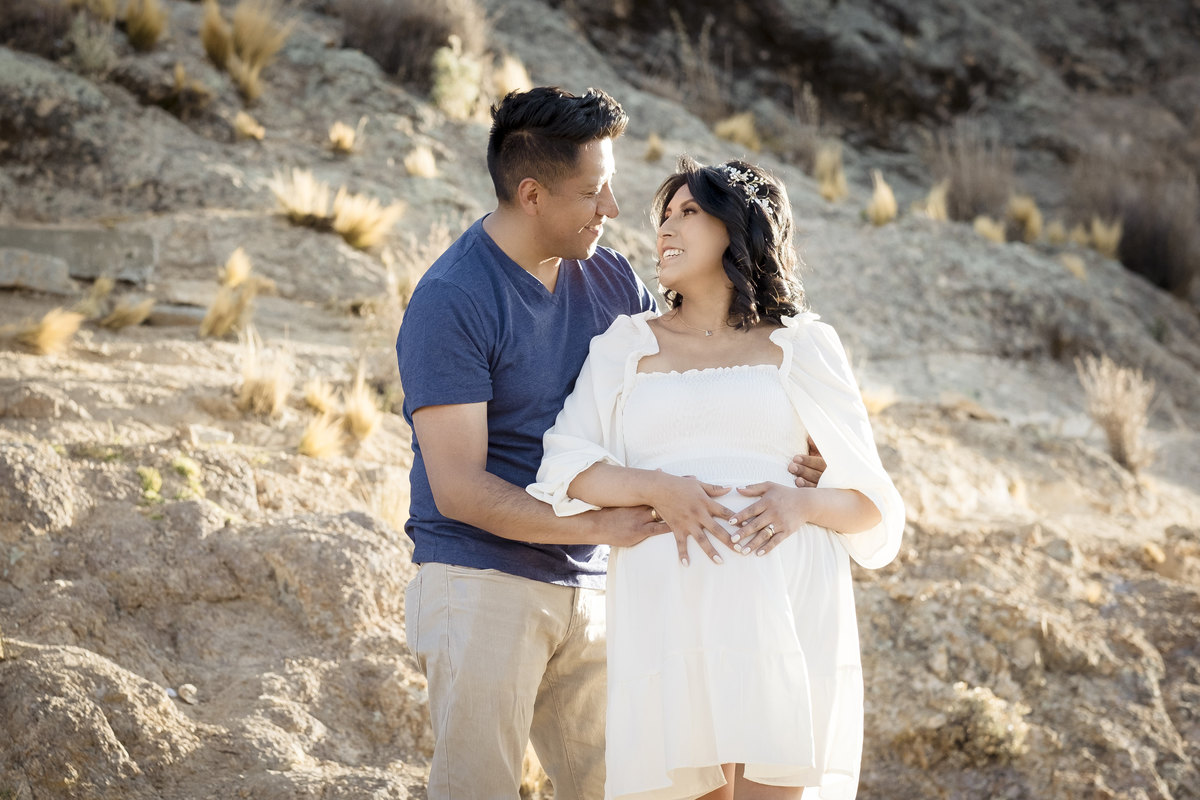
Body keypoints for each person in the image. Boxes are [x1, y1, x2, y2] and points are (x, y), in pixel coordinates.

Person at [396, 86, 827, 799]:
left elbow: (686, 374)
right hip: (481, 581)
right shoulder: (454, 298)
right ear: (532, 195)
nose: (614, 209)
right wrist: (601, 524)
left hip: (597, 584)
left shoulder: (610, 276)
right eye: (593, 192)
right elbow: (459, 488)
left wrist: (796, 445)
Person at [527, 156, 905, 800]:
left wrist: (799, 506)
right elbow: (566, 465)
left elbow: (871, 504)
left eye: (689, 212)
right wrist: (657, 487)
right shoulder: (625, 346)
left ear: (736, 227)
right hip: (668, 604)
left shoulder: (803, 345)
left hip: (780, 601)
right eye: (664, 216)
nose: (665, 229)